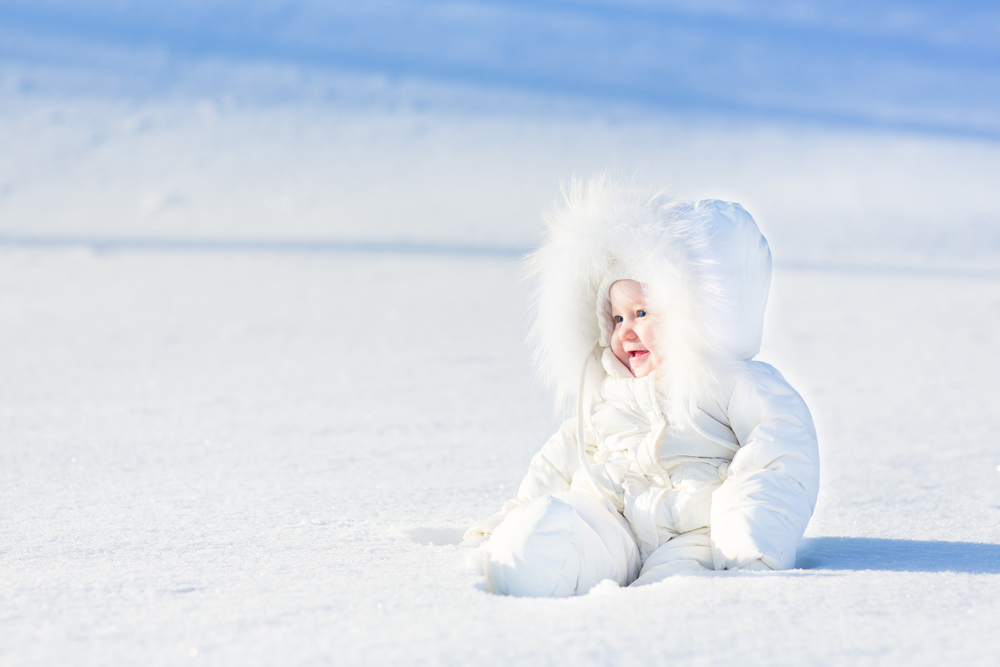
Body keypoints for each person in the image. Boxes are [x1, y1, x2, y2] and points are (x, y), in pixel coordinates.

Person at [463, 176, 820, 597]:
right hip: (616, 517)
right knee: (549, 540)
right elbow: (564, 457)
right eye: (617, 318)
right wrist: (520, 513)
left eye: (642, 313)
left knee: (672, 591)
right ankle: (529, 558)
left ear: (697, 314)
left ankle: (650, 628)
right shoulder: (609, 389)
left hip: (696, 531)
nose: (626, 333)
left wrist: (749, 530)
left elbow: (778, 451)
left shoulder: (732, 385)